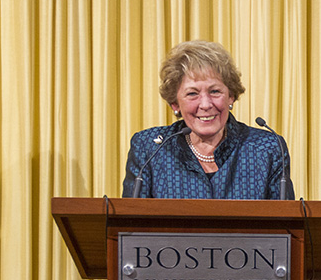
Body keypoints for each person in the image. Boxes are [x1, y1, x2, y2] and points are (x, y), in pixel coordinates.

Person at [122, 40, 293, 199]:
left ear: (231, 96)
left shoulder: (267, 148)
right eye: (192, 94)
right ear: (175, 104)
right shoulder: (149, 148)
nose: (205, 104)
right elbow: (130, 223)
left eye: (215, 91)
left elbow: (286, 224)